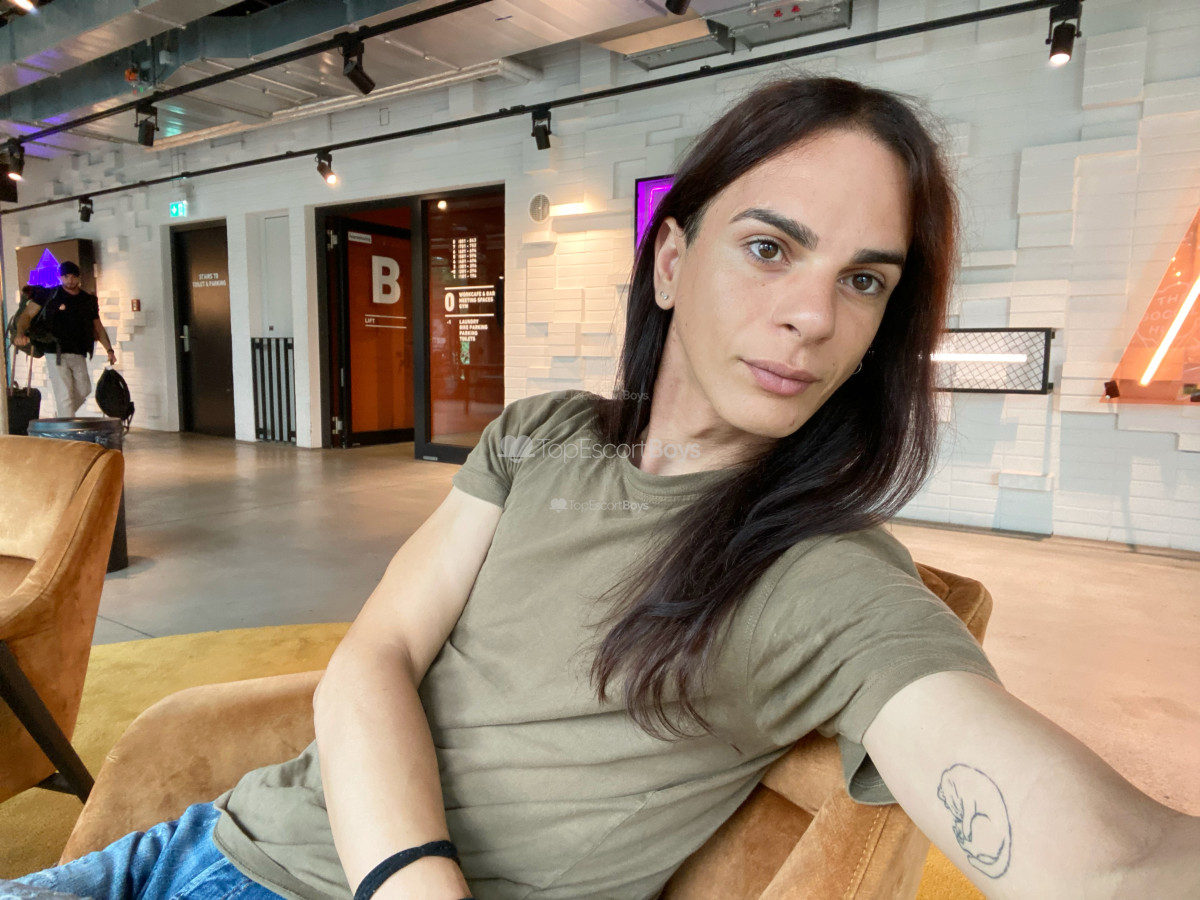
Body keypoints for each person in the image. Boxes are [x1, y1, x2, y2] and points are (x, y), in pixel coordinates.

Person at [12, 77, 1200, 900]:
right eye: (771, 247)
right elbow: (377, 652)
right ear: (672, 260)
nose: (812, 313)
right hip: (202, 840)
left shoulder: (827, 581)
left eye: (865, 280)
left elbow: (1107, 858)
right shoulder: (541, 435)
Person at [12, 260, 116, 418]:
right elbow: (27, 315)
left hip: (78, 351)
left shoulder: (88, 300)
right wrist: (20, 333)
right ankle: (65, 427)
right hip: (55, 351)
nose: (70, 280)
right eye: (66, 276)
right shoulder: (49, 295)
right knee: (65, 396)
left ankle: (62, 418)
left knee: (84, 389)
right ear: (60, 277)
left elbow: (98, 327)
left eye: (73, 276)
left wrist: (109, 349)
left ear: (79, 278)